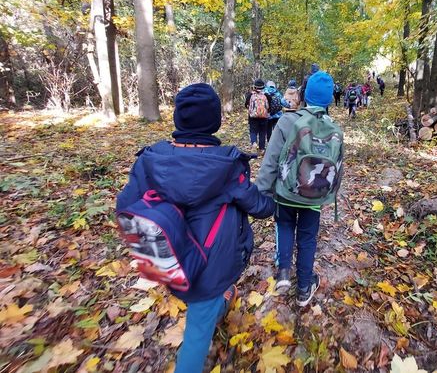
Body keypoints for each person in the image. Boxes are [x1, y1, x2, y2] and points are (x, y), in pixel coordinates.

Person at [116, 83, 275, 373]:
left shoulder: (150, 161)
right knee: (197, 333)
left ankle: (220, 304)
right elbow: (259, 207)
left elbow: (125, 204)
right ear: (214, 121)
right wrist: (273, 202)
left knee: (202, 304)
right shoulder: (226, 166)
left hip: (171, 259)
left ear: (178, 118)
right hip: (211, 267)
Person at [255, 71, 341, 306]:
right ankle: (304, 287)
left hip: (285, 191)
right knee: (307, 237)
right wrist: (329, 195)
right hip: (314, 195)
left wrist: (260, 191)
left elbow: (271, 160)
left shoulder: (286, 121)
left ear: (303, 95)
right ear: (329, 100)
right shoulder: (332, 127)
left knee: (284, 225)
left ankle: (284, 273)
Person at [245, 79, 269, 150]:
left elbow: (246, 105)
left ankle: (254, 142)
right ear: (263, 87)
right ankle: (262, 149)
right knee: (262, 132)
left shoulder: (250, 95)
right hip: (264, 117)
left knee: (253, 131)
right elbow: (268, 106)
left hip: (253, 117)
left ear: (255, 87)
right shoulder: (266, 95)